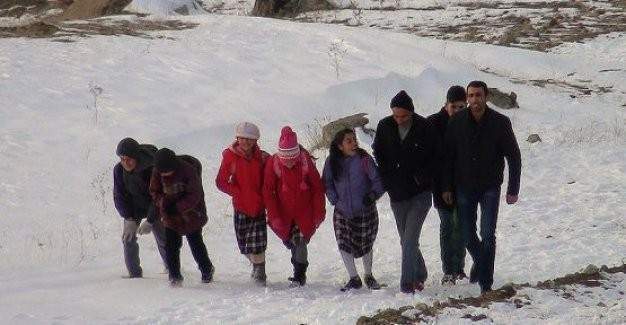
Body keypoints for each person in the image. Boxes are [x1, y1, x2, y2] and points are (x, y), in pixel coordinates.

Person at [442, 80, 522, 294]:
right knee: (467, 235)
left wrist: (513, 188)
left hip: (490, 187)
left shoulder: (500, 122)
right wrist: (447, 187)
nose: (475, 99)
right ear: (467, 98)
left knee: (487, 234)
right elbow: (448, 157)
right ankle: (481, 261)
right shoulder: (456, 122)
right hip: (463, 186)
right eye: (471, 96)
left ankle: (486, 284)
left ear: (486, 97)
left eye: (479, 95)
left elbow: (513, 156)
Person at [372, 90, 439, 293]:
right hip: (397, 193)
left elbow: (436, 157)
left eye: (403, 116)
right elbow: (378, 151)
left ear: (411, 112)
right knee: (405, 239)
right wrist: (387, 177)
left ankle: (407, 283)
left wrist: (423, 176)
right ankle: (420, 272)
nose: (399, 120)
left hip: (420, 193)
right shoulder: (384, 126)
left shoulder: (425, 127)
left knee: (410, 239)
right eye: (396, 115)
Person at [322, 129, 385, 291]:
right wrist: (334, 199)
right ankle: (353, 278)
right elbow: (327, 183)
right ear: (340, 146)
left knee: (366, 243)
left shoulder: (364, 159)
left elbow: (378, 180)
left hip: (365, 210)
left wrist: (372, 195)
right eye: (349, 141)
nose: (354, 143)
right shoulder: (331, 162)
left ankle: (369, 275)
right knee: (343, 244)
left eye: (354, 139)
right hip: (342, 212)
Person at [263, 126, 325, 286]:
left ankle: (299, 274)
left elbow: (317, 188)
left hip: (304, 212)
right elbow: (268, 191)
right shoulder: (273, 163)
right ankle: (297, 268)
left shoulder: (305, 161)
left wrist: (319, 212)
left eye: (292, 159)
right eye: (286, 160)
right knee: (291, 242)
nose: (289, 163)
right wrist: (274, 215)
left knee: (301, 242)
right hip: (284, 214)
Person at [149, 148, 215, 287]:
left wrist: (178, 207)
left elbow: (194, 195)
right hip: (169, 215)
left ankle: (207, 270)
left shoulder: (188, 170)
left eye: (168, 171)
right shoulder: (157, 171)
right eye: (162, 172)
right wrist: (163, 204)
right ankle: (174, 276)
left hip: (191, 214)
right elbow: (155, 192)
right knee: (171, 246)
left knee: (196, 243)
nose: (165, 174)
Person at [216, 122, 269, 285]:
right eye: (243, 138)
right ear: (237, 138)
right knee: (244, 244)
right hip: (240, 206)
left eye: (250, 139)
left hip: (259, 207)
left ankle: (260, 271)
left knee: (258, 243)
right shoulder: (229, 156)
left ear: (255, 141)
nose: (246, 142)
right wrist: (238, 192)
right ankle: (255, 264)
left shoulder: (262, 157)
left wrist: (263, 197)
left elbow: (269, 181)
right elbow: (221, 182)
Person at [427, 86, 468, 285]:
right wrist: (443, 187)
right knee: (447, 225)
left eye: (462, 107)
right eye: (454, 107)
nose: (458, 111)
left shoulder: (467, 121)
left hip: (463, 183)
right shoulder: (433, 123)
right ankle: (448, 270)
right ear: (446, 104)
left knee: (461, 225)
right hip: (440, 185)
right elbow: (434, 158)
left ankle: (459, 267)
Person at [113, 137, 167, 278]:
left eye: (129, 159)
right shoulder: (119, 170)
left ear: (136, 157)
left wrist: (150, 220)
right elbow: (119, 196)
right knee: (128, 238)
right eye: (122, 159)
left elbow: (158, 196)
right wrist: (128, 218)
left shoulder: (152, 168)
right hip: (134, 208)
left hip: (154, 206)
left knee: (162, 237)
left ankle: (171, 267)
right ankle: (134, 275)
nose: (125, 163)